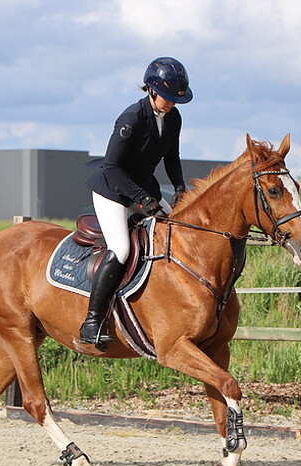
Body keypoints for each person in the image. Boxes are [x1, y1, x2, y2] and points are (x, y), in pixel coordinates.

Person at [79, 56, 193, 350]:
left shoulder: (173, 118)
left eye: (175, 100)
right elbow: (112, 168)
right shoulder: (131, 118)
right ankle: (92, 321)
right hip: (113, 192)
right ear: (151, 90)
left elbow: (172, 157)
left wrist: (180, 187)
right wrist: (143, 199)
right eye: (167, 98)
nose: (171, 104)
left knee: (177, 233)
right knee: (121, 248)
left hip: (144, 190)